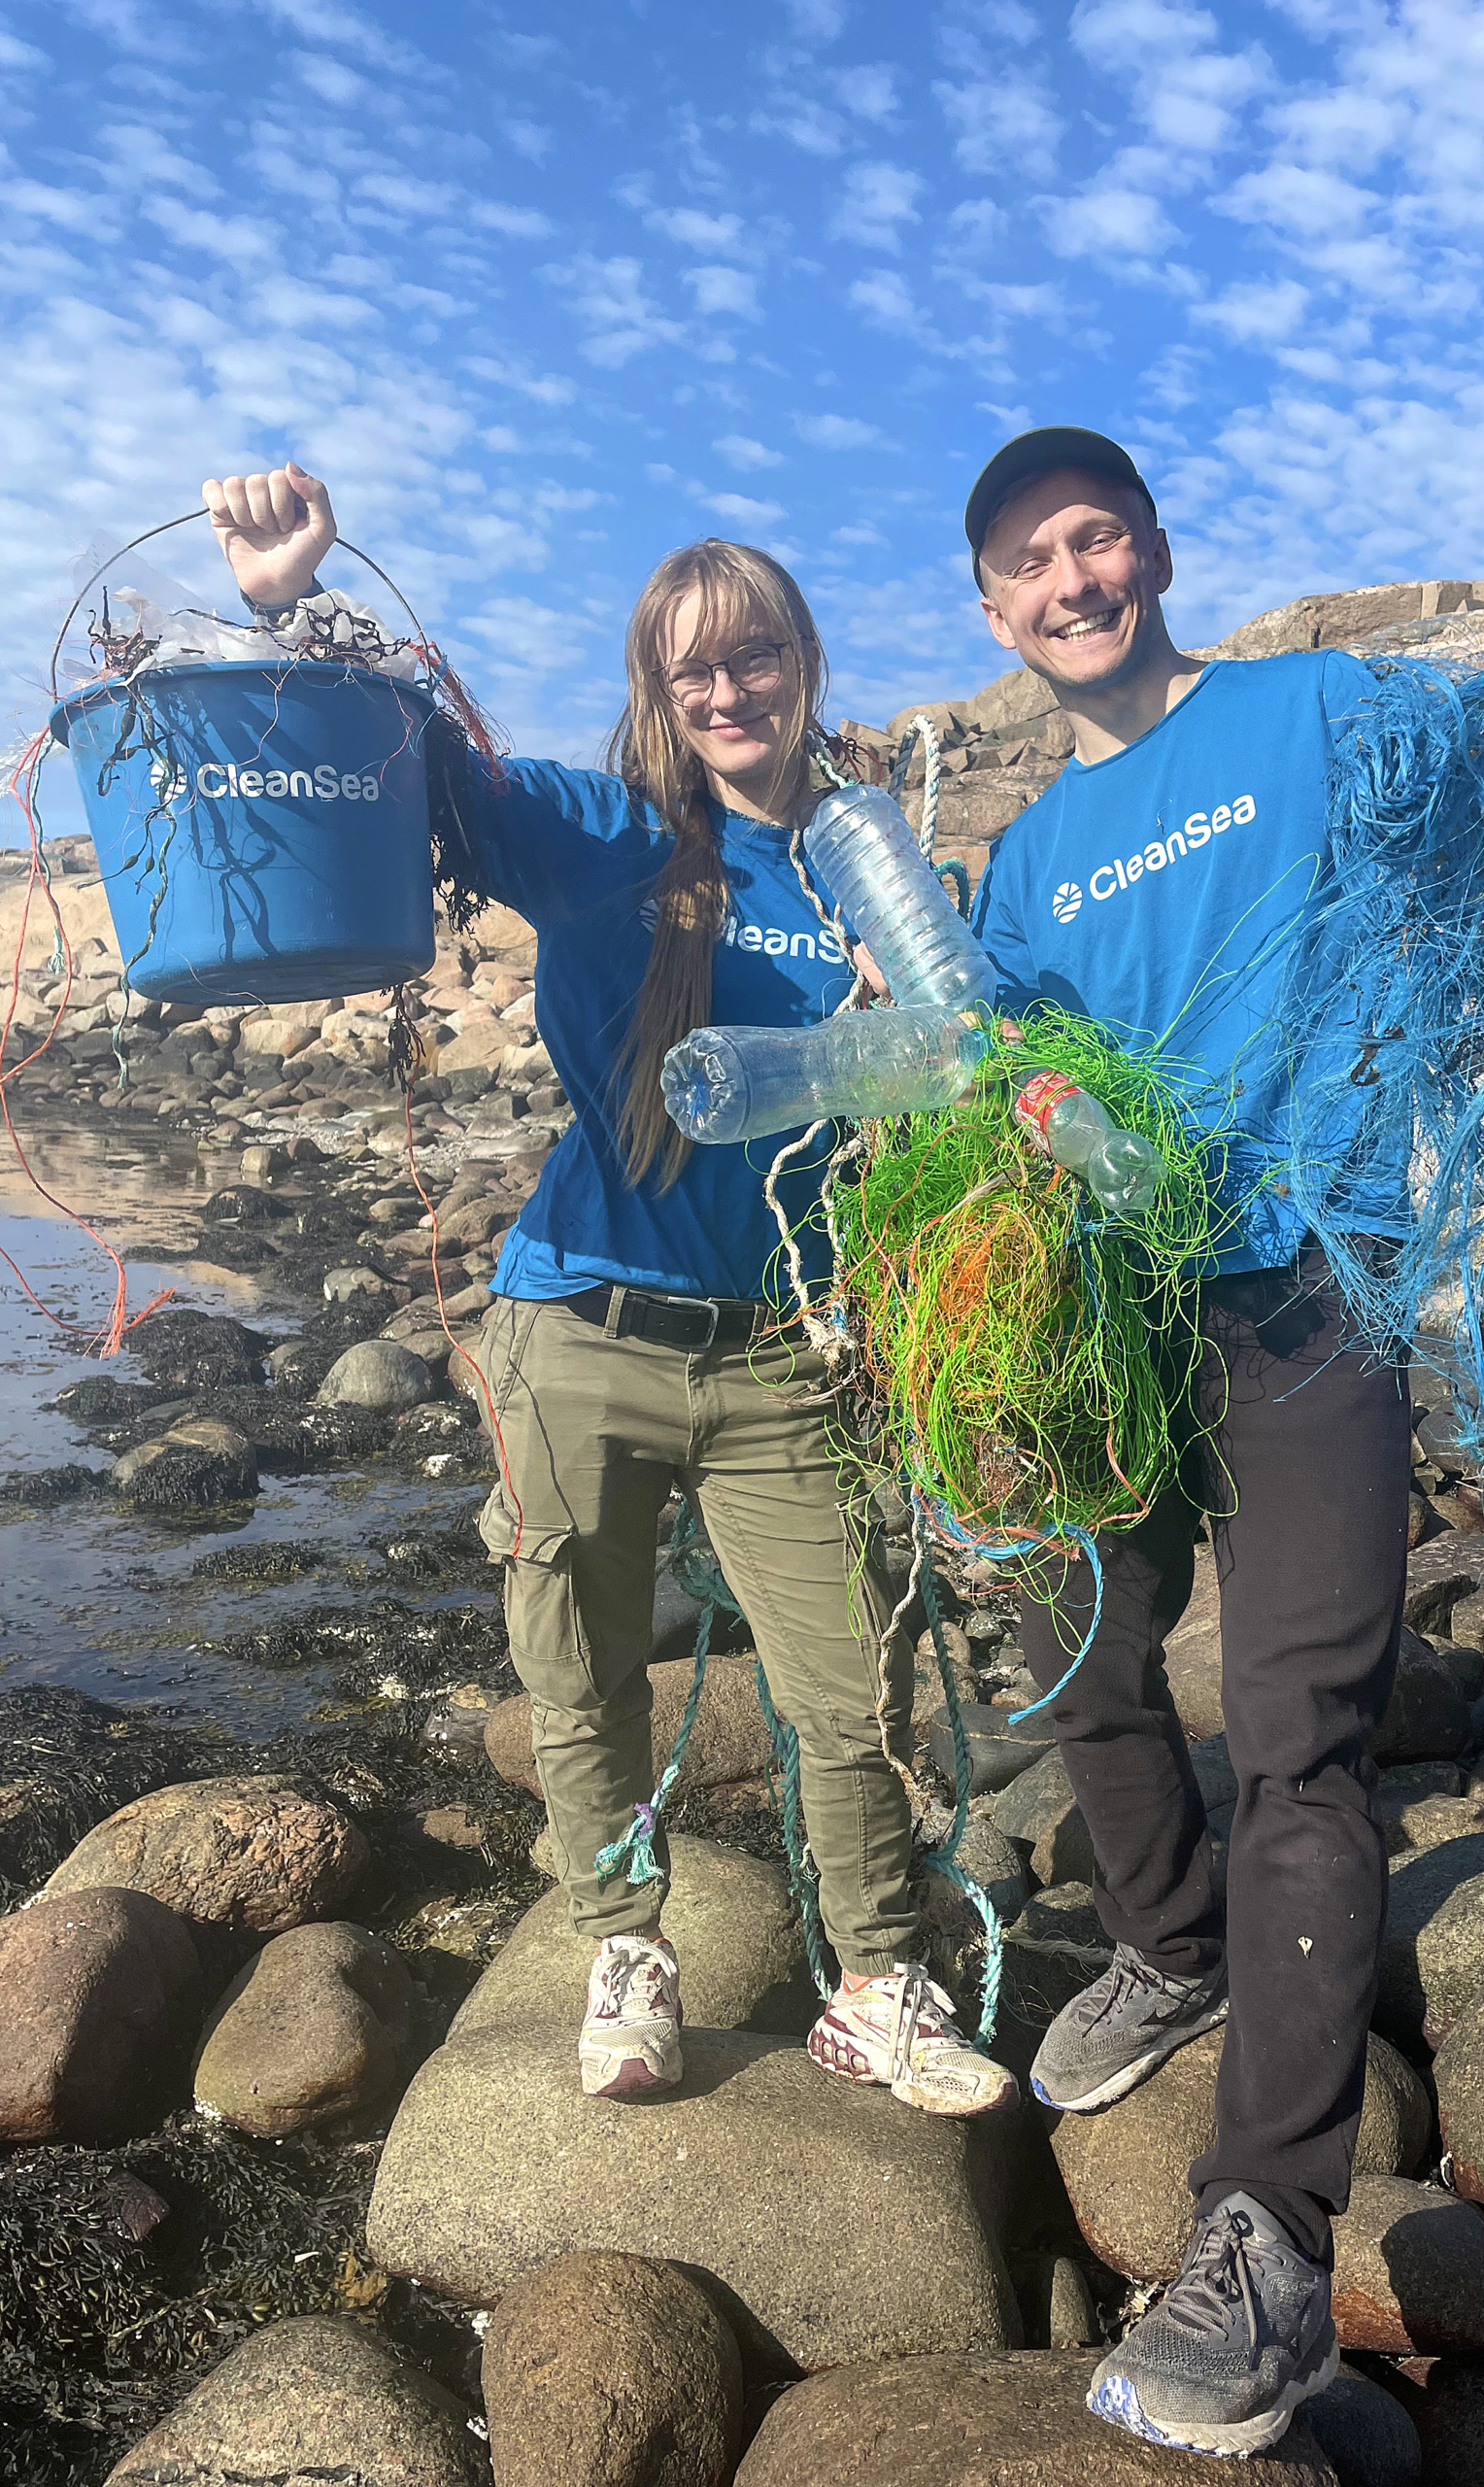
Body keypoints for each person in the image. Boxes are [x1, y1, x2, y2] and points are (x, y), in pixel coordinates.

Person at [962, 427, 1484, 2456]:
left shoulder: (1309, 710)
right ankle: (1174, 1945)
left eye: (1095, 538)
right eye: (1030, 562)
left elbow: (1477, 736)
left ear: (1150, 550)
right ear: (993, 612)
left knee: (1300, 1725)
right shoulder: (1019, 863)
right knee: (1083, 1645)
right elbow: (997, 1045)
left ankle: (1264, 2228)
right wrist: (990, 1107)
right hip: (1116, 1306)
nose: (1072, 579)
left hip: (1317, 1278)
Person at [199, 460, 1014, 2121]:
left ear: (803, 667)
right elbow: (402, 756)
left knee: (845, 1679)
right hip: (579, 1326)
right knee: (573, 1669)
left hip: (787, 1349)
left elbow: (969, 1068)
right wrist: (287, 601)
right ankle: (623, 1947)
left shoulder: (868, 872)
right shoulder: (599, 834)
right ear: (656, 688)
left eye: (755, 657)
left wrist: (901, 1039)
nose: (725, 691)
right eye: (689, 667)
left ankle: (874, 1979)